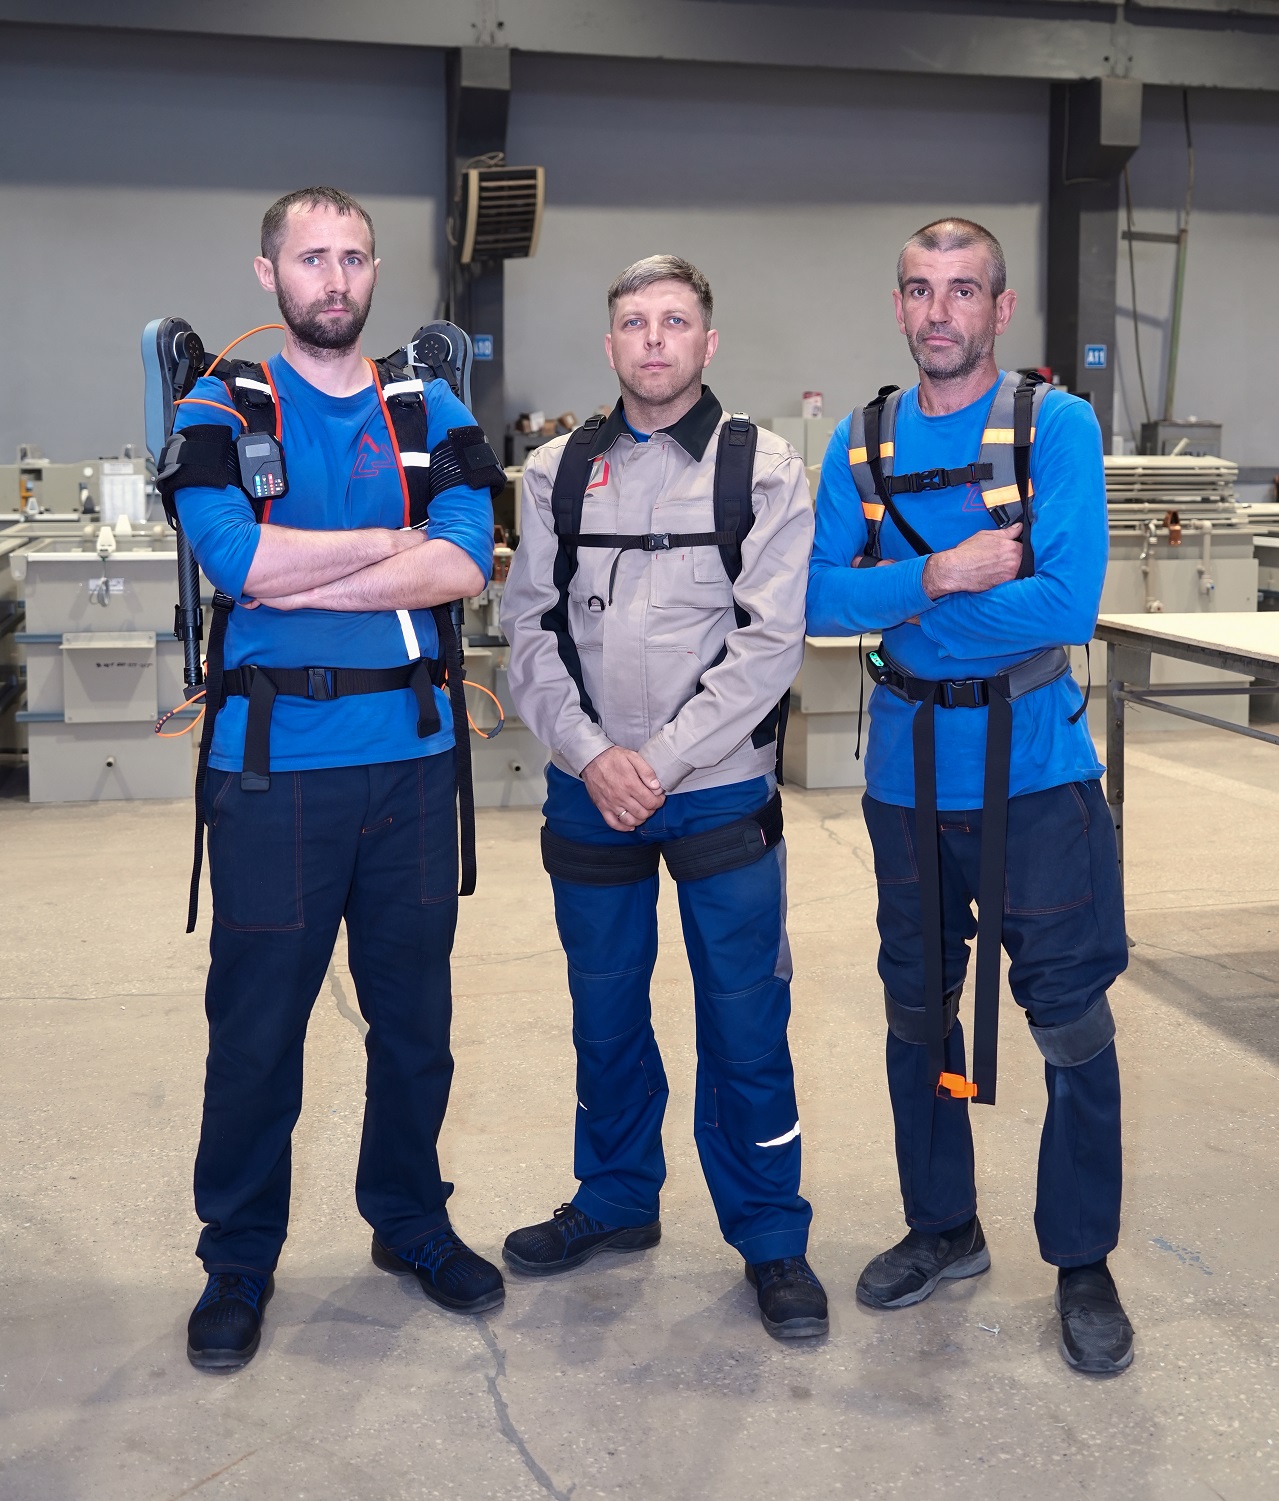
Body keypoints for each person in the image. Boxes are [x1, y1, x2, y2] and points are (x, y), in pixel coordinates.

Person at [168, 187, 501, 1372]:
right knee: (257, 1032)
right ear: (270, 274)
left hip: (410, 763)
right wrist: (387, 545)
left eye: (353, 257)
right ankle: (238, 1257)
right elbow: (234, 559)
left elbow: (466, 561)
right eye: (311, 258)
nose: (336, 278)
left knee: (415, 1025)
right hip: (274, 772)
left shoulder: (428, 405)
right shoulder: (222, 403)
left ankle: (408, 1220)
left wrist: (304, 569)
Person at [807, 219, 1134, 1375]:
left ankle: (1082, 1259)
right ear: (898, 304)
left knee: (1067, 1017)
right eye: (918, 289)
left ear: (1000, 308)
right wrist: (938, 574)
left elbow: (1064, 605)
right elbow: (814, 599)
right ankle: (943, 1222)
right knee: (917, 1008)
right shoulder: (860, 442)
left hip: (1036, 774)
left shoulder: (1056, 426)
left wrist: (902, 613)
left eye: (961, 290)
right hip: (906, 781)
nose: (937, 310)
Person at [500, 255, 827, 1339]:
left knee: (745, 1022)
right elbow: (526, 630)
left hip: (718, 793)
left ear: (706, 342)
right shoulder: (555, 472)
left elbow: (769, 642)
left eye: (674, 320)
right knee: (603, 1011)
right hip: (589, 791)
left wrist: (662, 761)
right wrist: (593, 754)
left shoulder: (763, 469)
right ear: (610, 345)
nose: (653, 339)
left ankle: (771, 1236)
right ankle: (614, 1198)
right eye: (634, 322)